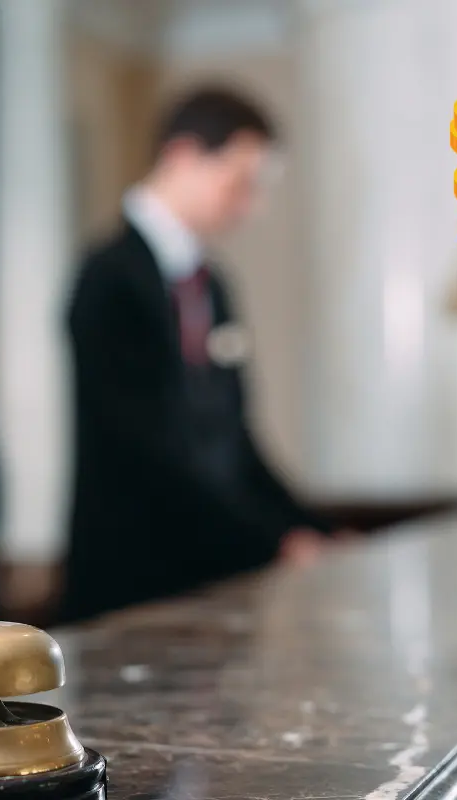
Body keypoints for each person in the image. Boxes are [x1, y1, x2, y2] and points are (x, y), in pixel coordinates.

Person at [63, 87, 340, 622]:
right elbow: (144, 448)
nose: (250, 207)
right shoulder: (108, 278)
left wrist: (306, 527)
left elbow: (234, 437)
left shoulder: (211, 286)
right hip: (135, 580)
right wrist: (270, 541)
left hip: (217, 575)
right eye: (240, 184)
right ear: (183, 157)